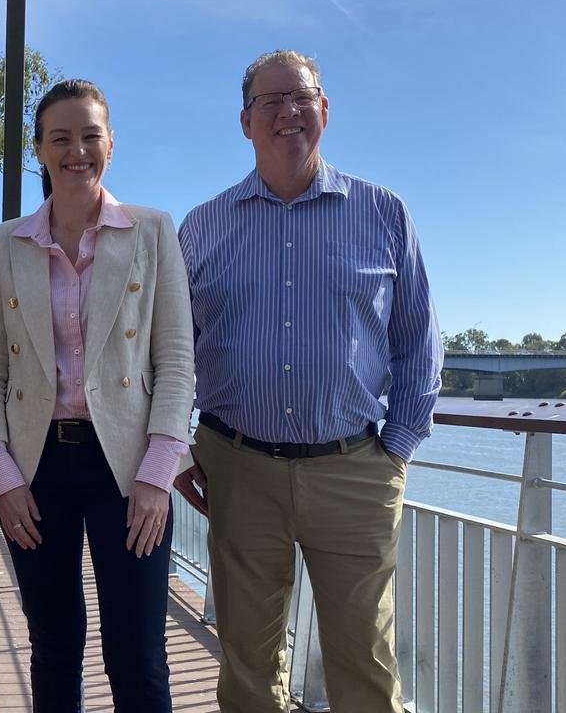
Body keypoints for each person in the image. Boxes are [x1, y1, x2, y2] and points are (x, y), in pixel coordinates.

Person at [174, 49, 443, 712]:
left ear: (323, 111)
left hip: (354, 469)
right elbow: (168, 351)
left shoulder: (385, 214)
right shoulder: (201, 227)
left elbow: (419, 339)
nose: (287, 113)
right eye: (270, 101)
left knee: (365, 667)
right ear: (245, 122)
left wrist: (396, 452)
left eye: (301, 98)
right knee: (248, 663)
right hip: (236, 469)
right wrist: (175, 449)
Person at [0, 79, 195, 712]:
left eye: (90, 135)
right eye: (60, 137)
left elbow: (176, 360)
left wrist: (158, 473)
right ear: (38, 150)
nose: (77, 151)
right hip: (36, 465)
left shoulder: (152, 231)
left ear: (111, 145)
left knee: (137, 645)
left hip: (127, 466)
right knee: (53, 642)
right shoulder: (4, 242)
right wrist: (0, 476)